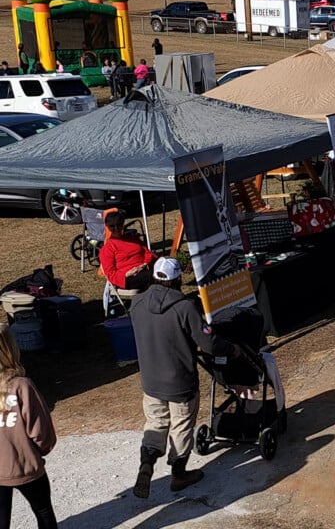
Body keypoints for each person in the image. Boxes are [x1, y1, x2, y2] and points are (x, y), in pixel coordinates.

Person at [130, 257, 239, 499]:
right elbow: (208, 342)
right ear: (177, 279)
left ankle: (147, 462)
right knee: (181, 427)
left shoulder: (136, 303)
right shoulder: (185, 308)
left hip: (151, 381)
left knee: (156, 424)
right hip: (180, 383)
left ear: (155, 277)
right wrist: (231, 349)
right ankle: (179, 474)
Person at [0, 325, 58, 529]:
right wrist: (41, 450)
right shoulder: (22, 386)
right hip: (25, 465)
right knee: (43, 512)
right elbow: (40, 431)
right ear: (10, 349)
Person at [99, 210, 156, 291]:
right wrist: (126, 274)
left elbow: (148, 253)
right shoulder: (108, 248)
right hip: (128, 278)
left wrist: (145, 264)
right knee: (154, 277)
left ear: (123, 224)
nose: (116, 228)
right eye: (112, 226)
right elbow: (110, 273)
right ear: (107, 226)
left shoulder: (133, 238)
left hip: (144, 269)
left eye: (119, 225)